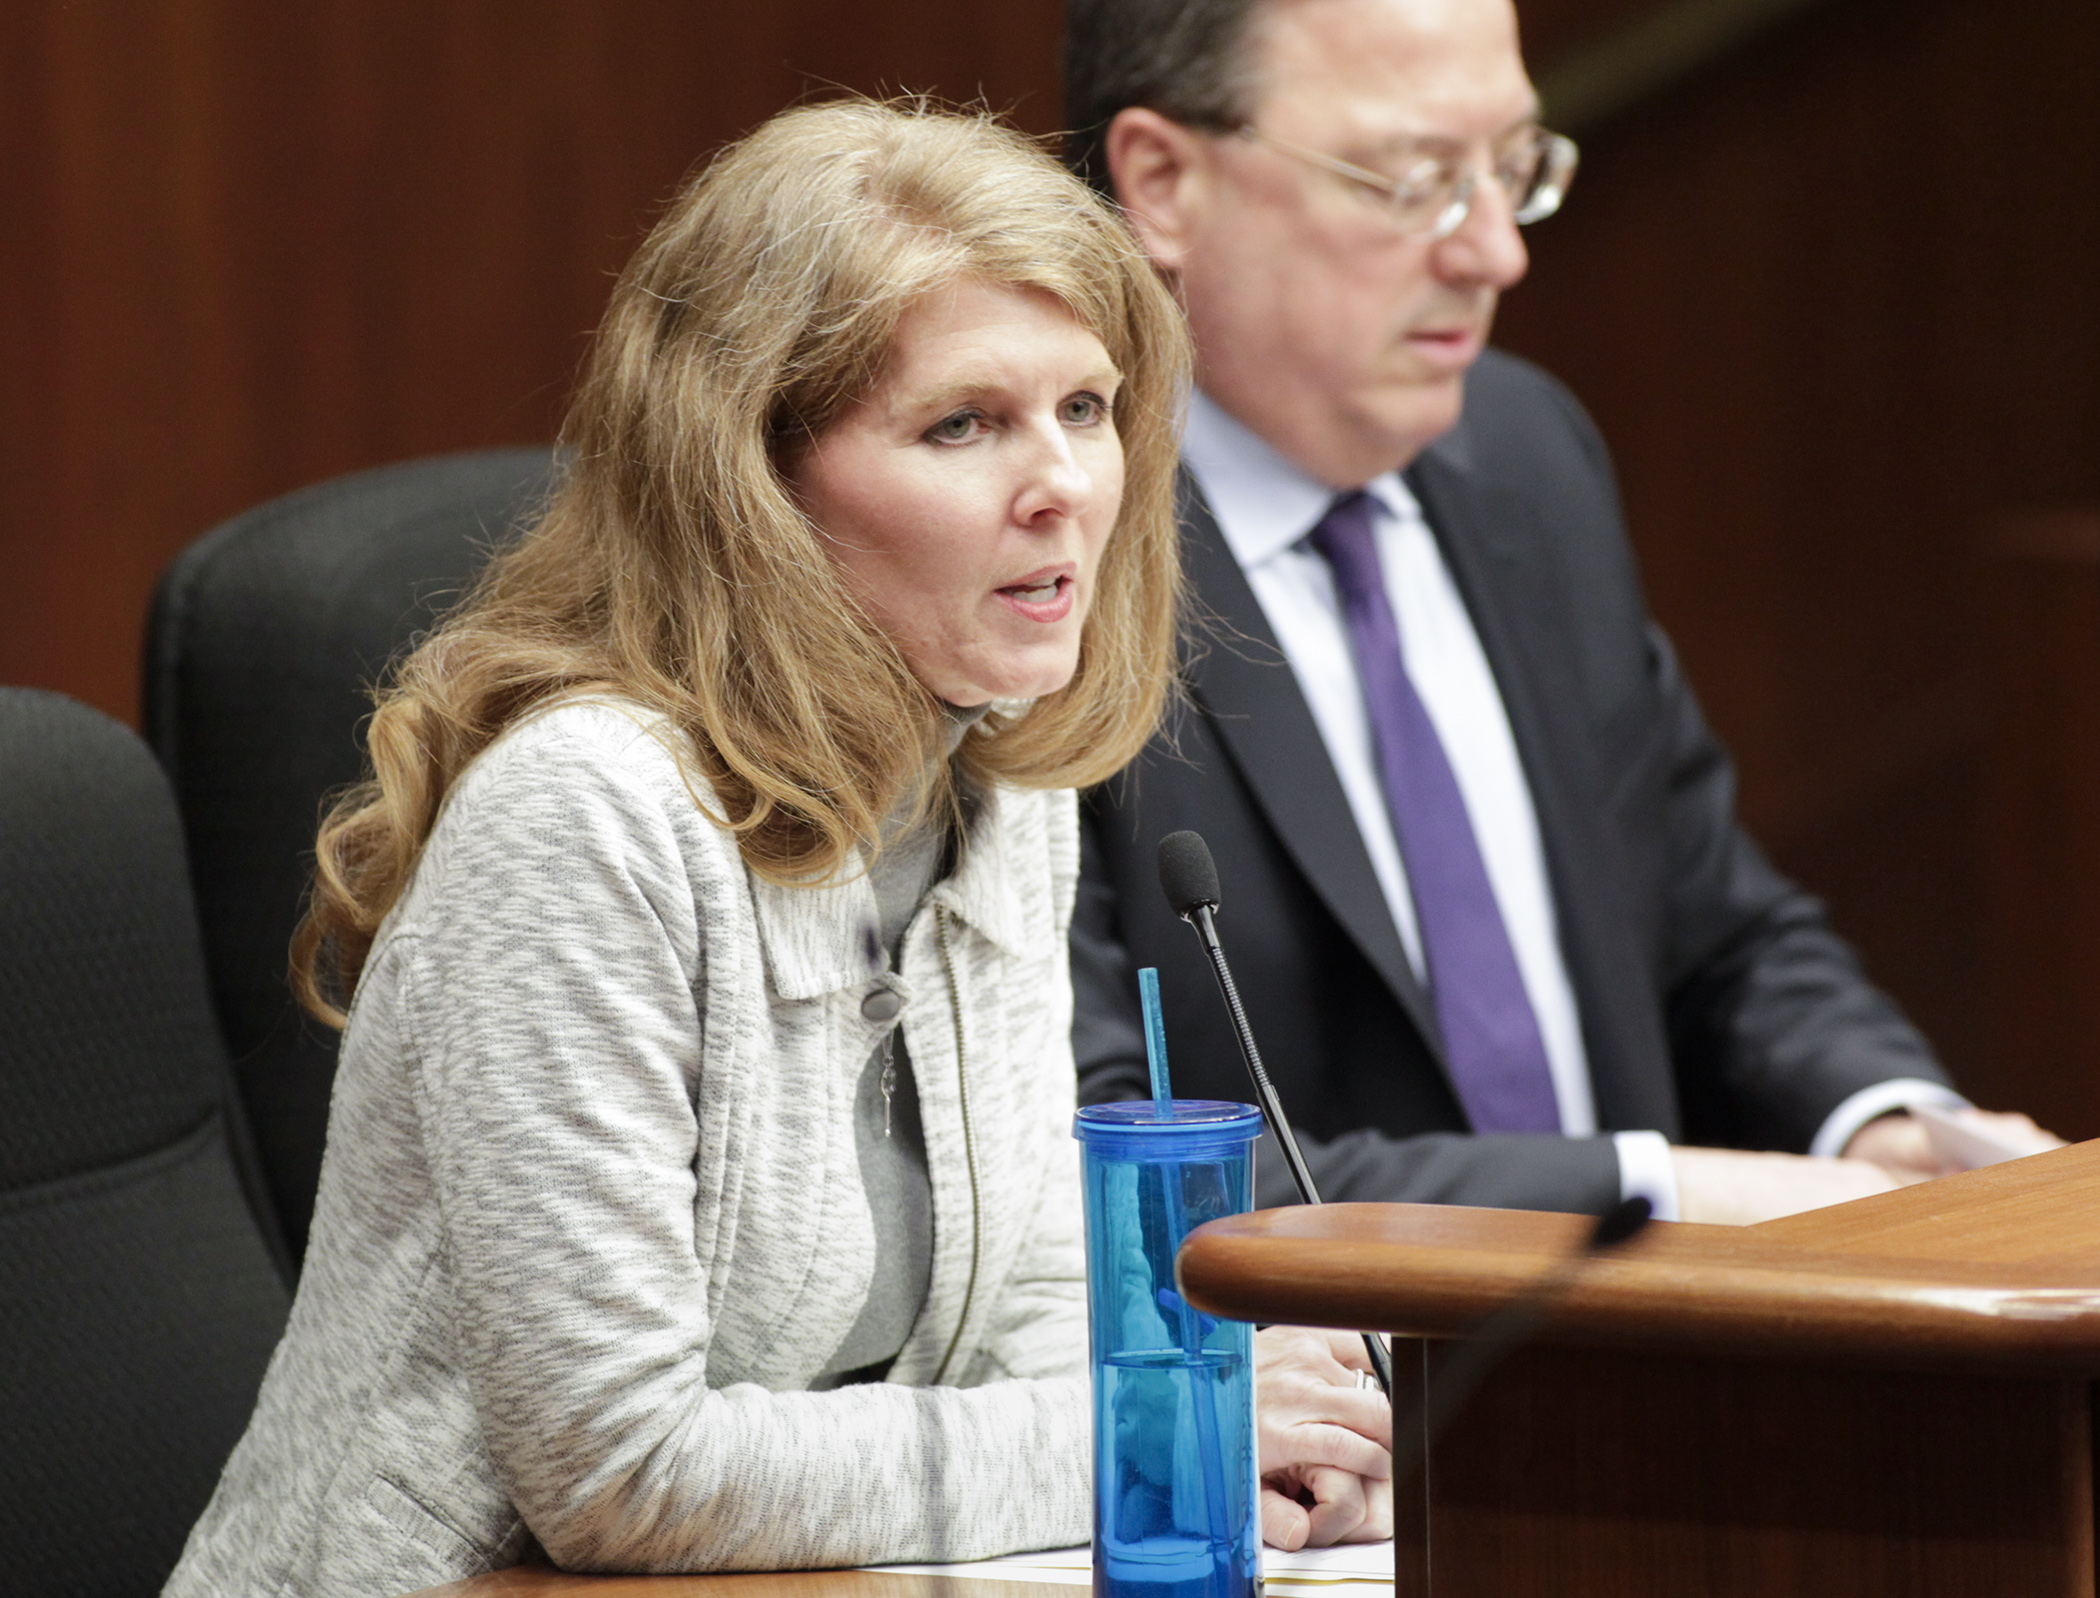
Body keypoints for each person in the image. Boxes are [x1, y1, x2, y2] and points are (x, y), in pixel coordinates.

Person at [163, 100, 1389, 1598]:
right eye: (963, 423)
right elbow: (617, 1470)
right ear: (753, 489)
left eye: (1087, 406)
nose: (1066, 482)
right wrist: (1154, 1429)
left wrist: (1250, 1433)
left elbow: (1033, 1299)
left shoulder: (993, 775)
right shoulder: (586, 819)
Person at [1062, 0, 2059, 1225]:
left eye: (1516, 169)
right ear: (1163, 181)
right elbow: (1098, 1158)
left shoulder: (1525, 451)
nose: (1495, 251)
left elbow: (1715, 929)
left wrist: (1880, 1116)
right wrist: (1648, 1189)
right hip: (1304, 1395)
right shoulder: (1044, 559)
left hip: (1632, 1398)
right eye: (1415, 178)